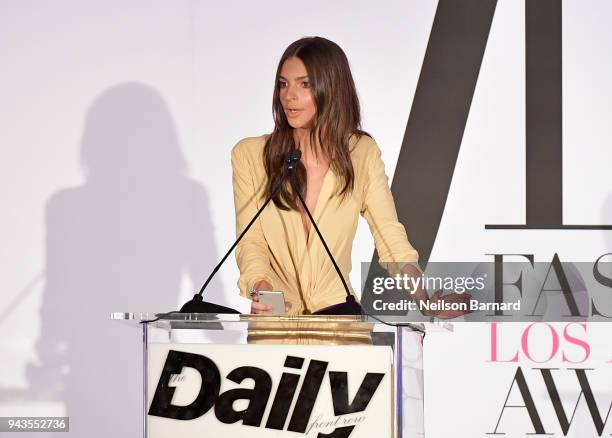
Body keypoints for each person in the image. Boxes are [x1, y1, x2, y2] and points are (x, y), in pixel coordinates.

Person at [231, 36, 469, 317]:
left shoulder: (360, 153)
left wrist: (424, 298)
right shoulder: (250, 155)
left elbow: (389, 237)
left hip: (339, 322)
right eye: (284, 84)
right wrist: (262, 289)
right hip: (275, 324)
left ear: (331, 89)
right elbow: (251, 242)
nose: (289, 95)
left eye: (304, 84)